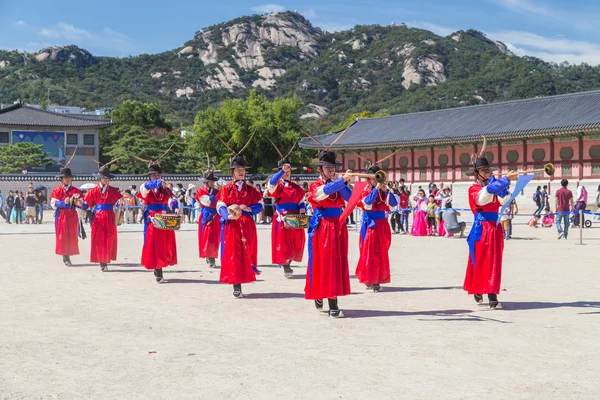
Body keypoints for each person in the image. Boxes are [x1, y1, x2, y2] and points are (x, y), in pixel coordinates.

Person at [463, 139, 518, 309]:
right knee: (479, 261)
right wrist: (504, 180)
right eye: (484, 171)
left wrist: (502, 185)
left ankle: (492, 293)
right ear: (477, 173)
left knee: (494, 261)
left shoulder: (493, 186)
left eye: (489, 171)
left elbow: (505, 199)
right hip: (481, 229)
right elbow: (483, 197)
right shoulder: (474, 189)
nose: (487, 174)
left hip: (494, 228)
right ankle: (479, 288)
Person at [306, 149, 353, 318]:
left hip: (338, 226)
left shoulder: (338, 184)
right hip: (323, 228)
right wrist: (341, 181)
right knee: (323, 263)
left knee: (336, 263)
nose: (331, 170)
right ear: (320, 169)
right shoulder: (315, 186)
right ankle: (324, 297)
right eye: (327, 167)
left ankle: (332, 300)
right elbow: (323, 193)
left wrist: (344, 183)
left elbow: (350, 197)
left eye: (333, 167)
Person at [216, 155, 263, 298]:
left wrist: (249, 209)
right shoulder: (226, 189)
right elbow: (220, 205)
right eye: (238, 170)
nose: (241, 172)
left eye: (243, 169)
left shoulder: (251, 190)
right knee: (234, 254)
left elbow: (260, 205)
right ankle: (236, 285)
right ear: (232, 172)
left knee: (247, 253)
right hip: (233, 226)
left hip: (247, 225)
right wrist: (229, 215)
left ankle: (244, 277)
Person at [355, 165, 397, 292]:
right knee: (370, 254)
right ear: (369, 179)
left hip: (383, 225)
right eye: (374, 178)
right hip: (371, 226)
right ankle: (372, 279)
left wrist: (386, 191)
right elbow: (367, 202)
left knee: (382, 253)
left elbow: (394, 204)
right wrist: (376, 189)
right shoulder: (365, 190)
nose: (377, 181)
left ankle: (377, 278)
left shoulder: (383, 192)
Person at [137, 163, 179, 283]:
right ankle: (157, 269)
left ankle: (160, 267)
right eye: (154, 175)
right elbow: (146, 188)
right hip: (152, 221)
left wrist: (175, 206)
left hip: (164, 220)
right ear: (149, 176)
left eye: (158, 175)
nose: (157, 177)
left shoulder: (165, 190)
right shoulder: (145, 188)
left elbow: (172, 200)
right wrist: (158, 182)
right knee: (153, 245)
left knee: (164, 245)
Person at [267, 158, 306, 279]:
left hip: (295, 217)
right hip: (282, 218)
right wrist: (280, 173)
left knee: (296, 243)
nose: (287, 172)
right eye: (284, 170)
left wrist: (302, 207)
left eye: (288, 170)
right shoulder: (276, 186)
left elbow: (301, 201)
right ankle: (285, 266)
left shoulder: (297, 188)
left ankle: (288, 262)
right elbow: (271, 183)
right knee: (283, 244)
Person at [85, 165, 122, 272]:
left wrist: (120, 203)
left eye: (108, 178)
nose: (106, 180)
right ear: (99, 178)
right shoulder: (93, 191)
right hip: (98, 218)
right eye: (104, 178)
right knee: (99, 240)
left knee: (109, 239)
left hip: (110, 216)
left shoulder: (113, 191)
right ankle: (102, 261)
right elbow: (87, 204)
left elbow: (119, 201)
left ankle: (105, 260)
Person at [50, 167, 87, 266]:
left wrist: (79, 203)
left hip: (72, 215)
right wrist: (63, 202)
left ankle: (69, 254)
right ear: (61, 179)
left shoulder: (76, 191)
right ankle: (65, 256)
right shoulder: (57, 191)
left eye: (69, 177)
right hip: (61, 215)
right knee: (62, 236)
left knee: (71, 236)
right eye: (65, 177)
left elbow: (84, 205)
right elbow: (54, 204)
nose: (67, 179)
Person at [196, 170, 221, 269]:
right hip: (206, 216)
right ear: (206, 182)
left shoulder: (217, 191)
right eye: (211, 181)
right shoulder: (200, 191)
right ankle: (210, 257)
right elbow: (206, 201)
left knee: (215, 238)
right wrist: (217, 196)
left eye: (213, 181)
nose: (213, 183)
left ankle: (212, 256)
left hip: (216, 216)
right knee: (207, 237)